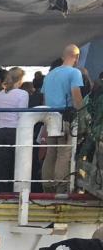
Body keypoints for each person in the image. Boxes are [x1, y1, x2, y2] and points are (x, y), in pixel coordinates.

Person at [41, 45, 85, 193]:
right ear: (76, 57)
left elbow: (45, 100)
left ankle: (47, 187)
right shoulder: (74, 73)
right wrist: (83, 115)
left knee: (51, 153)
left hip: (50, 117)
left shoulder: (50, 75)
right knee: (64, 153)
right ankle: (60, 188)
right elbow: (76, 96)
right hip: (65, 118)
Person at [0, 67, 29, 193]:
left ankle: (1, 190)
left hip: (1, 131)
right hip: (15, 131)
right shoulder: (23, 94)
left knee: (2, 163)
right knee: (15, 163)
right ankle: (15, 191)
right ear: (20, 79)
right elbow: (22, 115)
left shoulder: (0, 94)